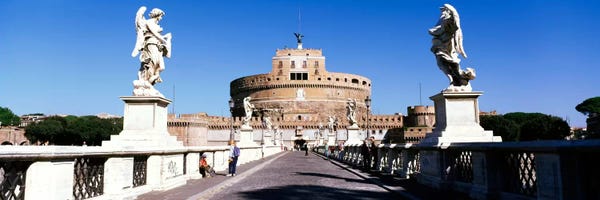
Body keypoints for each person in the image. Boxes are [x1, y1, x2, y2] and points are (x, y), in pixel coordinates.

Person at [132, 6, 172, 86]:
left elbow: (157, 36)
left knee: (161, 67)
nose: (161, 18)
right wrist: (164, 40)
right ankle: (146, 83)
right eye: (160, 16)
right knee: (151, 65)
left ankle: (150, 82)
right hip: (151, 45)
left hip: (158, 46)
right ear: (157, 15)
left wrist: (166, 38)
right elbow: (154, 33)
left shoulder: (155, 24)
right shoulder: (149, 22)